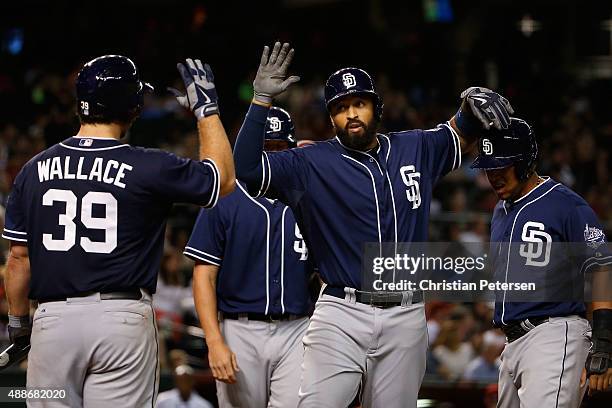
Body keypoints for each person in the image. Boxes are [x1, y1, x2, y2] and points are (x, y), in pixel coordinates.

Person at [233, 41, 514, 408]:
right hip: (341, 312)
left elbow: (459, 128)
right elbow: (247, 170)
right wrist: (259, 102)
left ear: (376, 108)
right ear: (330, 118)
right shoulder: (311, 162)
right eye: (341, 108)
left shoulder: (415, 147)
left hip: (406, 313)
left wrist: (471, 103)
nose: (351, 113)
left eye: (359, 103)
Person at [1, 54, 235, 407]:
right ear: (133, 108)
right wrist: (206, 109)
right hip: (120, 320)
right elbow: (223, 180)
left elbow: (18, 260)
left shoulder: (33, 170)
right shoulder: (149, 165)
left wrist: (19, 323)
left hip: (53, 323)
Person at [470, 117, 612, 407]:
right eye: (489, 168)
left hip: (553, 334)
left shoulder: (565, 204)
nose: (493, 175)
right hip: (512, 343)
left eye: (502, 166)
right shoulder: (500, 210)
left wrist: (605, 341)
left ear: (525, 161)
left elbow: (601, 269)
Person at [186, 106, 311, 408]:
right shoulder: (225, 197)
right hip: (241, 330)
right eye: (264, 147)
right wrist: (214, 341)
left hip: (299, 328)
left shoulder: (310, 197)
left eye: (280, 147)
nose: (272, 155)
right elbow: (204, 275)